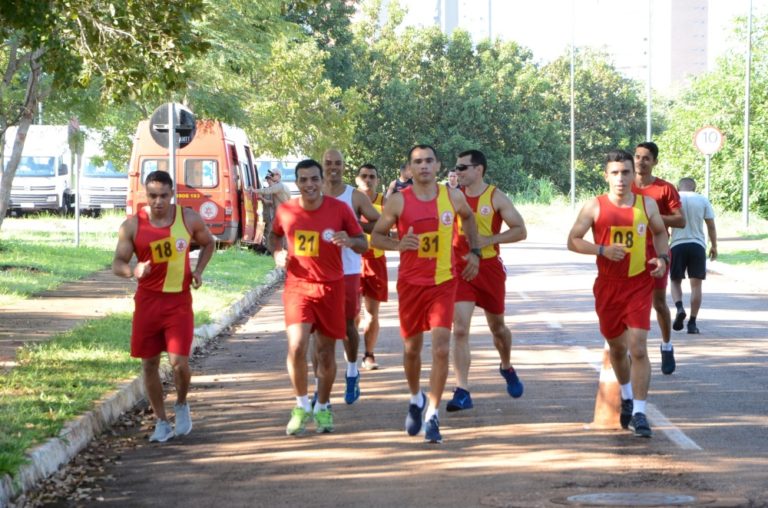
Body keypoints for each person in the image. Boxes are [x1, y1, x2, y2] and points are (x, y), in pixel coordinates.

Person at [371, 144, 480, 444]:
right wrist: (398, 245)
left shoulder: (452, 196)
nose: (424, 166)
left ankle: (432, 413)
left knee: (442, 347)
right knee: (411, 350)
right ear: (410, 168)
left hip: (443, 283)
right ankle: (415, 397)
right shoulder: (397, 202)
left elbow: (468, 219)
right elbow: (377, 236)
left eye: (429, 161)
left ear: (437, 165)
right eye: (418, 162)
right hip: (410, 285)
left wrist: (475, 251)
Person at [568, 149, 669, 438]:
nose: (621, 178)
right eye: (615, 173)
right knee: (617, 348)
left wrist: (662, 259)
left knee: (637, 346)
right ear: (606, 176)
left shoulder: (646, 204)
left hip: (638, 284)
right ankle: (626, 396)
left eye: (626, 172)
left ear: (632, 174)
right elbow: (572, 240)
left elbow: (660, 233)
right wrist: (601, 249)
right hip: (608, 286)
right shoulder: (594, 206)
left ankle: (639, 412)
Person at [112, 170, 215, 443]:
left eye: (164, 196)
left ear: (172, 195)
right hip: (147, 303)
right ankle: (160, 421)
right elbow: (117, 263)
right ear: (146, 195)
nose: (158, 201)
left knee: (179, 363)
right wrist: (133, 271)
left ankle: (181, 404)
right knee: (149, 365)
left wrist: (199, 271)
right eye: (153, 195)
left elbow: (208, 243)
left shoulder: (188, 218)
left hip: (178, 301)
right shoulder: (132, 226)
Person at [271, 159, 367, 436]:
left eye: (314, 179)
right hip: (298, 286)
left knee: (325, 353)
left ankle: (323, 406)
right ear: (297, 182)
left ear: (322, 180)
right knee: (297, 346)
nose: (309, 184)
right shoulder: (286, 210)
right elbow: (273, 236)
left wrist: (349, 241)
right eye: (303, 180)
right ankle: (301, 405)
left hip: (331, 288)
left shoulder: (340, 210)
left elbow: (363, 242)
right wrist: (277, 252)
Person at [446, 149, 528, 412]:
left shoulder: (495, 197)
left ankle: (506, 365)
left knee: (498, 329)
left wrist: (491, 239)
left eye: (462, 168)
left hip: (489, 268)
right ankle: (462, 390)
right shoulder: (450, 195)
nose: (457, 172)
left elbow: (520, 230)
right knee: (459, 329)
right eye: (456, 168)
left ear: (478, 169)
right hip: (460, 269)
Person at [312, 149, 380, 405]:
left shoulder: (355, 196)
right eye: (328, 163)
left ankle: (352, 371)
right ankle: (320, 385)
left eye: (337, 163)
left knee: (348, 325)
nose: (333, 167)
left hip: (348, 270)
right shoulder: (313, 194)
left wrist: (354, 226)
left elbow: (379, 222)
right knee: (316, 331)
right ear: (322, 165)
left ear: (343, 166)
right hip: (317, 271)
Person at [632, 141, 685, 375]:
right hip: (630, 253)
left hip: (657, 252)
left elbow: (680, 220)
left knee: (659, 303)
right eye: (637, 156)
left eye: (646, 158)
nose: (640, 161)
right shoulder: (624, 187)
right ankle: (632, 350)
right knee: (630, 304)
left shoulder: (664, 189)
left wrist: (652, 216)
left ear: (654, 162)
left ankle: (666, 345)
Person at [670, 177, 717, 335]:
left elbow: (663, 223)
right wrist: (714, 246)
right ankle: (692, 322)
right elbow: (711, 225)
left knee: (675, 281)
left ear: (678, 187)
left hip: (677, 245)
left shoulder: (673, 198)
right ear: (694, 188)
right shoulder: (703, 200)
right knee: (696, 286)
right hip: (697, 246)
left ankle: (679, 307)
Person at [355, 163, 388, 370]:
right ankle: (351, 354)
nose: (368, 179)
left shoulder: (385, 202)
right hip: (352, 260)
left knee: (372, 313)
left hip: (375, 260)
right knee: (352, 313)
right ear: (357, 179)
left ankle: (369, 355)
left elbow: (389, 228)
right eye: (364, 176)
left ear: (377, 180)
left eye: (372, 176)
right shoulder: (349, 199)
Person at [256, 168, 292, 253]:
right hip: (280, 213)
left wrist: (254, 191)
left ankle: (272, 250)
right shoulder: (279, 186)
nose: (269, 179)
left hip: (281, 214)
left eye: (271, 176)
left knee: (272, 232)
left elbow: (268, 193)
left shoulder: (279, 186)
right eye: (269, 177)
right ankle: (279, 250)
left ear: (278, 176)